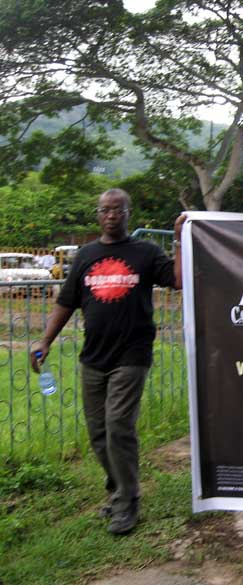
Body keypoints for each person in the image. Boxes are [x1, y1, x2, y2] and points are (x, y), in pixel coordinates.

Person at [30, 188, 184, 536]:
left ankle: (128, 503)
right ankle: (119, 492)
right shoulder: (86, 254)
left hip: (132, 354)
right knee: (98, 433)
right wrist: (44, 341)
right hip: (93, 357)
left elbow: (177, 280)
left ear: (129, 213)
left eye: (118, 210)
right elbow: (66, 302)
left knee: (118, 426)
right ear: (98, 215)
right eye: (105, 210)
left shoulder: (144, 252)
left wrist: (177, 239)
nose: (111, 215)